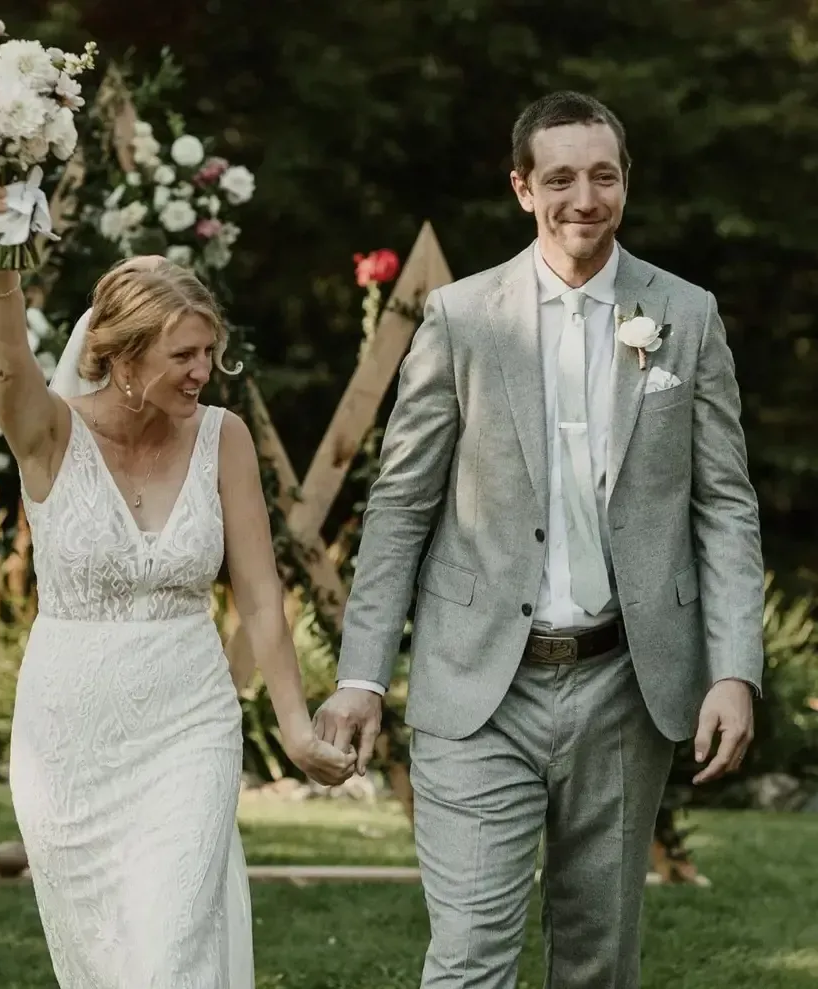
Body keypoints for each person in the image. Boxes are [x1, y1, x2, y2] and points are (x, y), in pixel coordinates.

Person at [314, 91, 763, 988]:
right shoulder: (461, 317)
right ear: (523, 188)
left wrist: (734, 668)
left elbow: (725, 505)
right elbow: (400, 505)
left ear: (626, 181)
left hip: (625, 685)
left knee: (597, 963)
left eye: (603, 175)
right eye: (560, 178)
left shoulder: (688, 313)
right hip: (478, 682)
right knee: (471, 959)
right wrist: (362, 677)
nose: (584, 198)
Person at [0, 180, 356, 989]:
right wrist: (1, 257)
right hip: (68, 740)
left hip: (189, 724)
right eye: (182, 355)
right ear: (123, 355)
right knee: (105, 964)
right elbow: (8, 359)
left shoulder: (224, 437)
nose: (202, 372)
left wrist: (291, 723)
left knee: (174, 950)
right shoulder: (49, 433)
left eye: (208, 351)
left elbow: (258, 594)